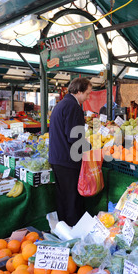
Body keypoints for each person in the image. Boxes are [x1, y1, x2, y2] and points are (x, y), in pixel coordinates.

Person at [48, 77, 92, 226]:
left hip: (57, 158)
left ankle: (62, 227)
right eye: (87, 93)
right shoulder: (73, 107)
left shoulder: (61, 105)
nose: (88, 97)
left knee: (62, 197)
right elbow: (75, 138)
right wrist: (92, 149)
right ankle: (73, 229)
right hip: (68, 160)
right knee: (72, 198)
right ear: (79, 91)